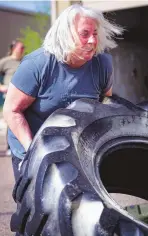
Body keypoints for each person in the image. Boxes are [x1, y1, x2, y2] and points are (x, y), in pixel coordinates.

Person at [3, 4, 123, 182]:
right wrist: (34, 154)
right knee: (42, 206)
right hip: (31, 145)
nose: (92, 41)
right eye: (84, 34)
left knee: (80, 204)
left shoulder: (102, 64)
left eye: (95, 34)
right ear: (66, 34)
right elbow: (12, 111)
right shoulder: (37, 64)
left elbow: (105, 106)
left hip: (74, 148)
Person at [0, 40, 24, 156]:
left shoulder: (24, 61)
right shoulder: (5, 62)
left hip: (22, 96)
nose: (23, 50)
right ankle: (9, 147)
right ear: (14, 48)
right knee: (11, 120)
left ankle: (20, 146)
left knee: (21, 120)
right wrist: (1, 87)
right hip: (9, 96)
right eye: (21, 48)